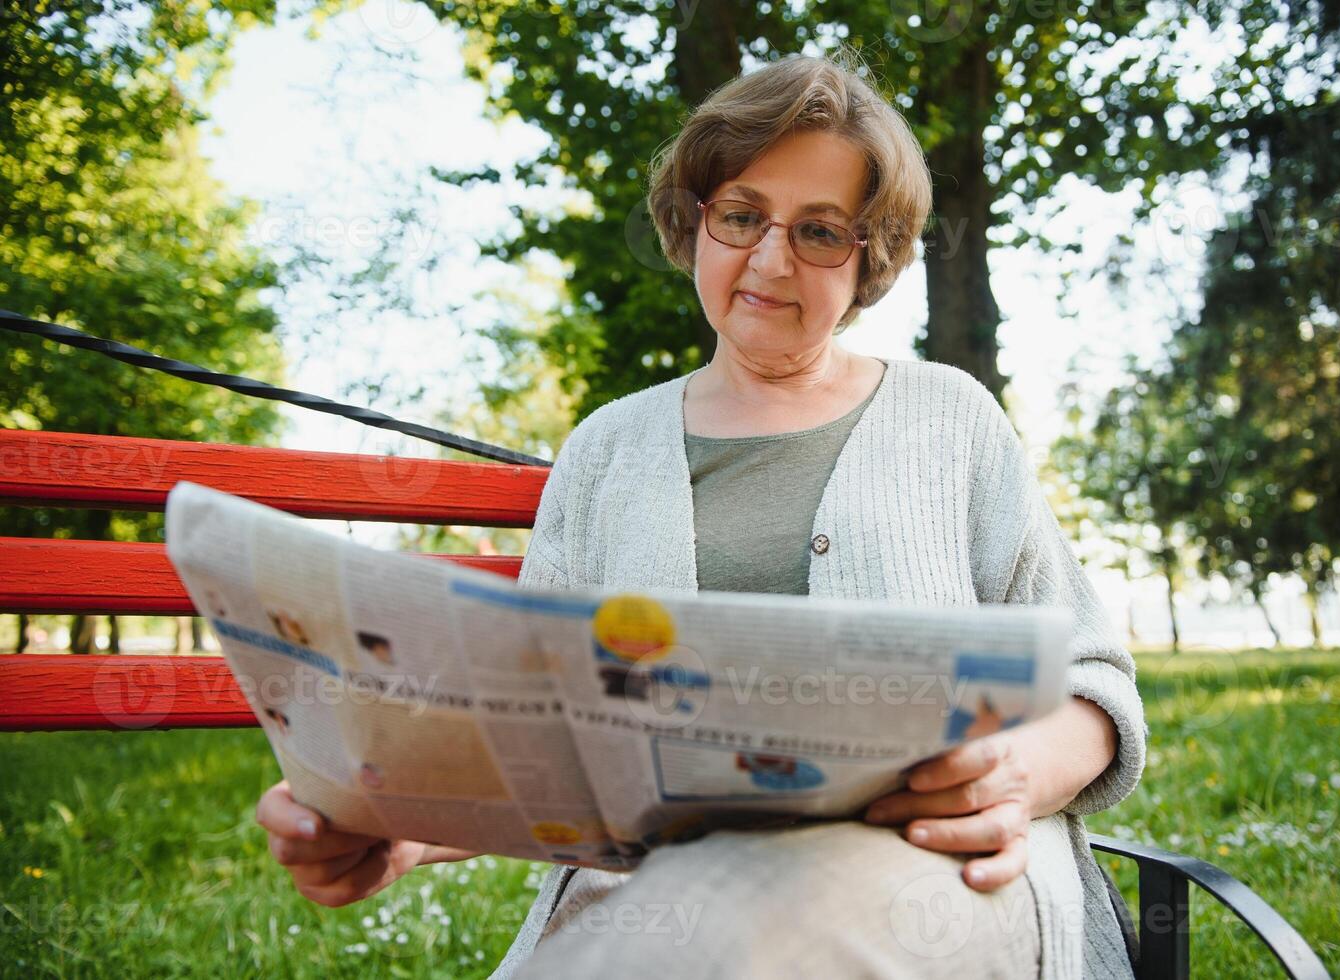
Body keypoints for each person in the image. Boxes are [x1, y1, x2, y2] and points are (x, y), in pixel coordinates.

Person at [254, 51, 1146, 979]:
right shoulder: (605, 449)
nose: (770, 259)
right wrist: (396, 833)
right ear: (697, 224)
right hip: (657, 910)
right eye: (741, 216)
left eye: (820, 231)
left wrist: (1015, 776)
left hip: (934, 885)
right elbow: (534, 742)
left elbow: (1095, 687)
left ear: (868, 257)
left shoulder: (951, 419)